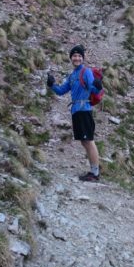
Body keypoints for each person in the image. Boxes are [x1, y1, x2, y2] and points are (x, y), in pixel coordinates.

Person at [47, 44, 101, 182]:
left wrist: (97, 87)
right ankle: (93, 171)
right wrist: (52, 84)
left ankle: (95, 173)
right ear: (71, 58)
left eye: (79, 56)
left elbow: (94, 90)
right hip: (76, 111)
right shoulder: (72, 75)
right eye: (74, 56)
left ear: (82, 58)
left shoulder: (86, 72)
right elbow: (61, 91)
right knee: (85, 141)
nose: (76, 58)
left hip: (84, 110)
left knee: (88, 141)